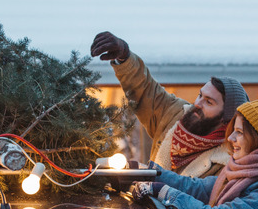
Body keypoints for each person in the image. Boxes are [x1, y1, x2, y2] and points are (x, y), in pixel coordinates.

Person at [90, 31, 249, 178]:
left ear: (226, 118)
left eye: (209, 101)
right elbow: (145, 90)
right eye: (200, 95)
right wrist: (124, 56)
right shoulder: (176, 113)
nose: (198, 103)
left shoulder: (229, 162)